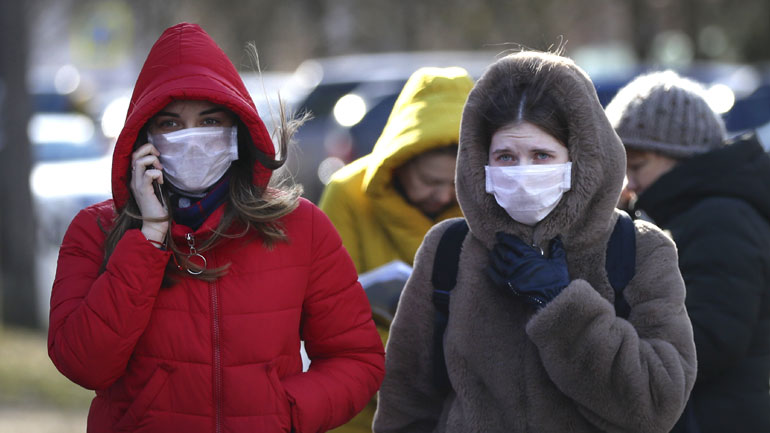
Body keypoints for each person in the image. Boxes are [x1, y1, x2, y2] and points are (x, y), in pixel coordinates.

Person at [47, 22, 384, 433]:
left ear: (237, 132)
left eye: (209, 121)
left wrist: (286, 412)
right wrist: (150, 235)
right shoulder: (96, 230)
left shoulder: (300, 227)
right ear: (142, 138)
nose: (191, 139)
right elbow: (84, 364)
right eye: (170, 124)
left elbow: (357, 359)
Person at [373, 51, 697, 432]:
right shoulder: (448, 250)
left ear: (580, 161)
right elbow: (405, 404)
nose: (523, 173)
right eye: (506, 157)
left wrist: (561, 304)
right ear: (483, 163)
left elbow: (656, 404)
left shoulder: (639, 249)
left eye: (542, 155)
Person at [606, 70, 770, 433]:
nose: (629, 185)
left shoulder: (721, 218)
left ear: (681, 155)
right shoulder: (689, 213)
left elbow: (711, 339)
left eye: (637, 166)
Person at [319, 67, 474, 275]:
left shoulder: (489, 201)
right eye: (429, 181)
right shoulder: (347, 192)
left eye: (457, 183)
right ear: (400, 161)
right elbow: (329, 287)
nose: (444, 196)